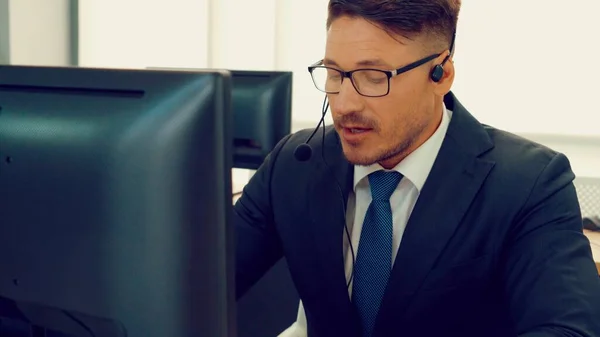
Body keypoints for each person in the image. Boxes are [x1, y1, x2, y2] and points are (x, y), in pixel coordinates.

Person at [234, 0, 600, 336]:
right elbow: (198, 282)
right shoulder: (296, 162)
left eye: (374, 77)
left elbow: (567, 330)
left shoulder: (529, 183)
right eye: (333, 73)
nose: (343, 104)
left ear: (441, 74)